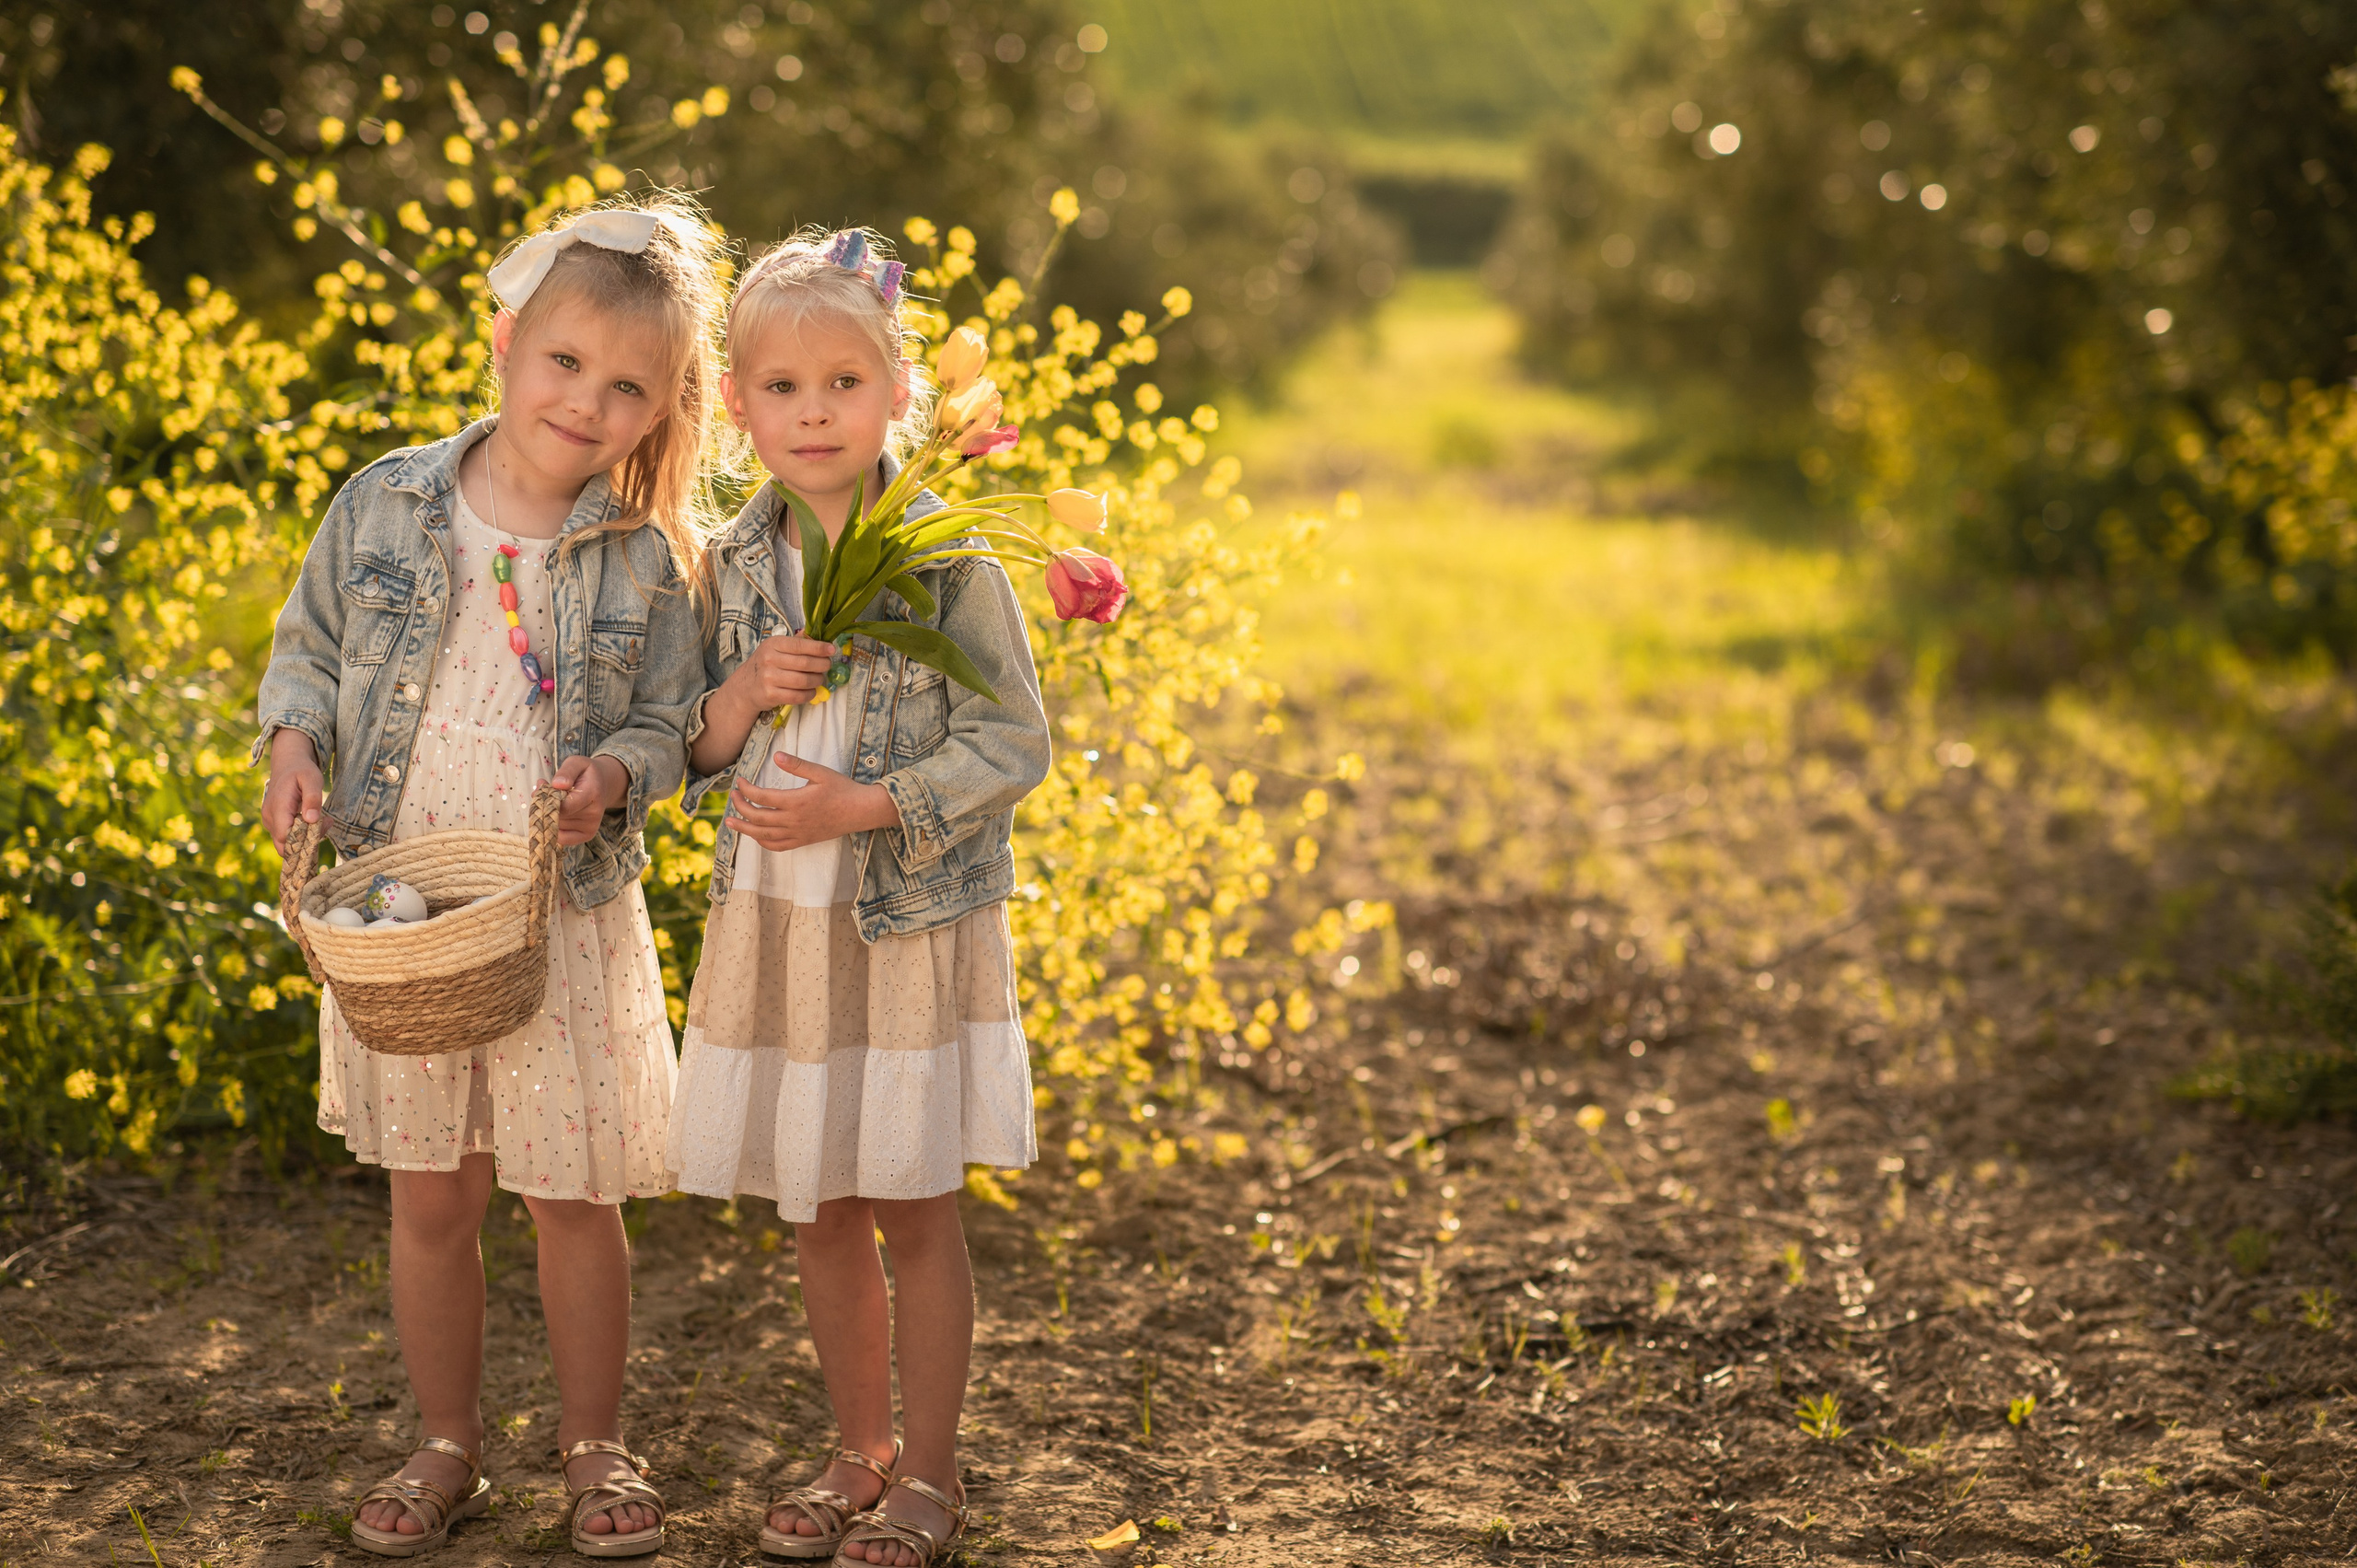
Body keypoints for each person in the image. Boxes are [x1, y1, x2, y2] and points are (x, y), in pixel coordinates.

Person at [255, 196, 721, 1559]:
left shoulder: (644, 552)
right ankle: (447, 1439)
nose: (586, 401)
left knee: (571, 1190)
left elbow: (670, 723)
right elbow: (310, 651)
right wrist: (293, 741)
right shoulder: (388, 498)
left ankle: (594, 1446)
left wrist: (617, 778)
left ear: (660, 411)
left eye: (627, 386)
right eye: (565, 362)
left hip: (554, 905)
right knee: (432, 1191)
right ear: (509, 343)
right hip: (405, 891)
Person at [665, 228, 1049, 1567]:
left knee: (912, 1198)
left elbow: (1012, 745)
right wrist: (736, 698)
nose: (813, 412)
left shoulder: (949, 560)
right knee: (819, 1207)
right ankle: (857, 1450)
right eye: (781, 388)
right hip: (779, 918)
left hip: (902, 921)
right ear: (737, 404)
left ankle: (931, 1473)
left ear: (899, 398)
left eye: (843, 383)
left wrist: (863, 806)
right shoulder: (726, 562)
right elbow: (689, 751)